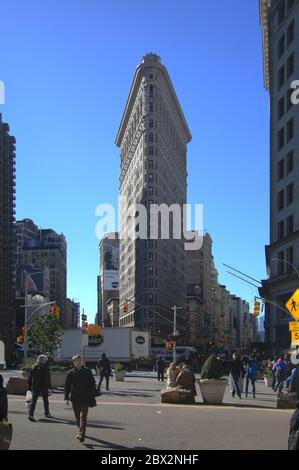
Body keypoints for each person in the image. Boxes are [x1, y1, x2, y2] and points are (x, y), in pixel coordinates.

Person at [65, 354, 97, 443]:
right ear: (73, 362)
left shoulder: (87, 371)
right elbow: (67, 386)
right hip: (75, 397)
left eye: (80, 360)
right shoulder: (70, 373)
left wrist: (92, 393)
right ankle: (80, 431)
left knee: (83, 417)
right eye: (76, 361)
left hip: (85, 397)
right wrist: (66, 398)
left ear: (81, 361)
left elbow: (92, 382)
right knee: (77, 416)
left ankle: (82, 434)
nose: (78, 362)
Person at [27, 354, 52, 422]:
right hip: (43, 386)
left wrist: (29, 387)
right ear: (42, 360)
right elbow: (47, 378)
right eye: (45, 360)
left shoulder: (33, 367)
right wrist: (49, 387)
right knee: (45, 400)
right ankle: (47, 413)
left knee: (33, 401)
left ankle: (30, 414)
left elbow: (29, 378)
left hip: (34, 386)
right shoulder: (45, 367)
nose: (46, 361)